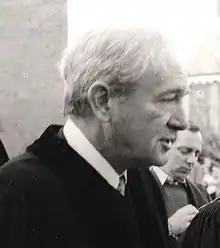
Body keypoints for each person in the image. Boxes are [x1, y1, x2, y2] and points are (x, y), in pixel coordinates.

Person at [0, 28, 188, 248]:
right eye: (167, 99)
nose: (181, 121)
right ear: (103, 101)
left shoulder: (142, 181)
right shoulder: (16, 193)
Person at [150, 124, 210, 247]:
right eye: (185, 151)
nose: (192, 160)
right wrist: (169, 228)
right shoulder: (133, 187)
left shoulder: (202, 194)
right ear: (164, 146)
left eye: (196, 154)